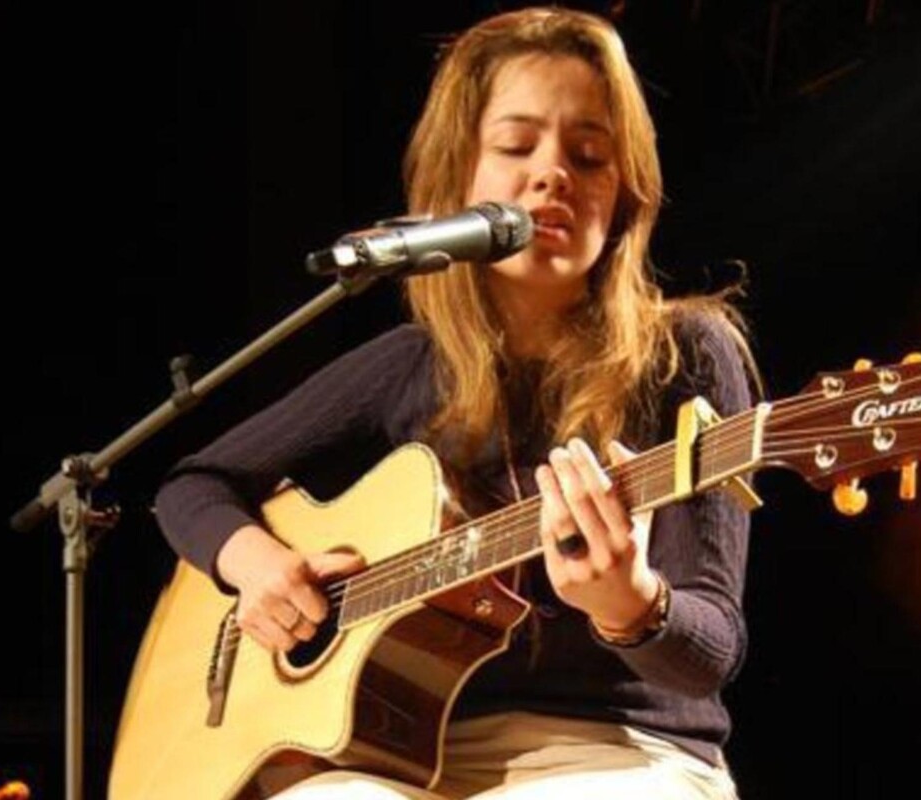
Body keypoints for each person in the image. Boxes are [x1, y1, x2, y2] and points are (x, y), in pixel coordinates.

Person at [154, 7, 759, 799]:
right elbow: (193, 487)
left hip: (624, 753)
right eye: (516, 146)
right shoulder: (413, 363)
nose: (554, 174)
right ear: (459, 175)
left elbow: (711, 649)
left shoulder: (686, 355)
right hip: (411, 756)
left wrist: (632, 606)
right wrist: (259, 565)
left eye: (589, 155)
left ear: (625, 194)